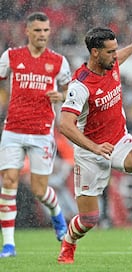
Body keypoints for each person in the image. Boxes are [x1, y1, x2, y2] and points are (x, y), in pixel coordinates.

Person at [57, 21, 132, 264]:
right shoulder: (80, 86)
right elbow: (65, 125)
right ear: (95, 53)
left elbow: (119, 59)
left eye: (116, 50)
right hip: (90, 152)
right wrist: (94, 147)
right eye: (110, 51)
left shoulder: (111, 64)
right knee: (89, 219)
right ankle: (68, 242)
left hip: (119, 140)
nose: (115, 56)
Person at [0, 11, 70, 258]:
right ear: (27, 31)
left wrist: (61, 96)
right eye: (37, 30)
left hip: (42, 132)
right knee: (9, 182)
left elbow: (70, 90)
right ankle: (8, 245)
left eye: (46, 30)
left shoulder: (59, 62)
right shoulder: (11, 57)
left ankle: (57, 214)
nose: (42, 34)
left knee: (40, 190)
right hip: (13, 130)